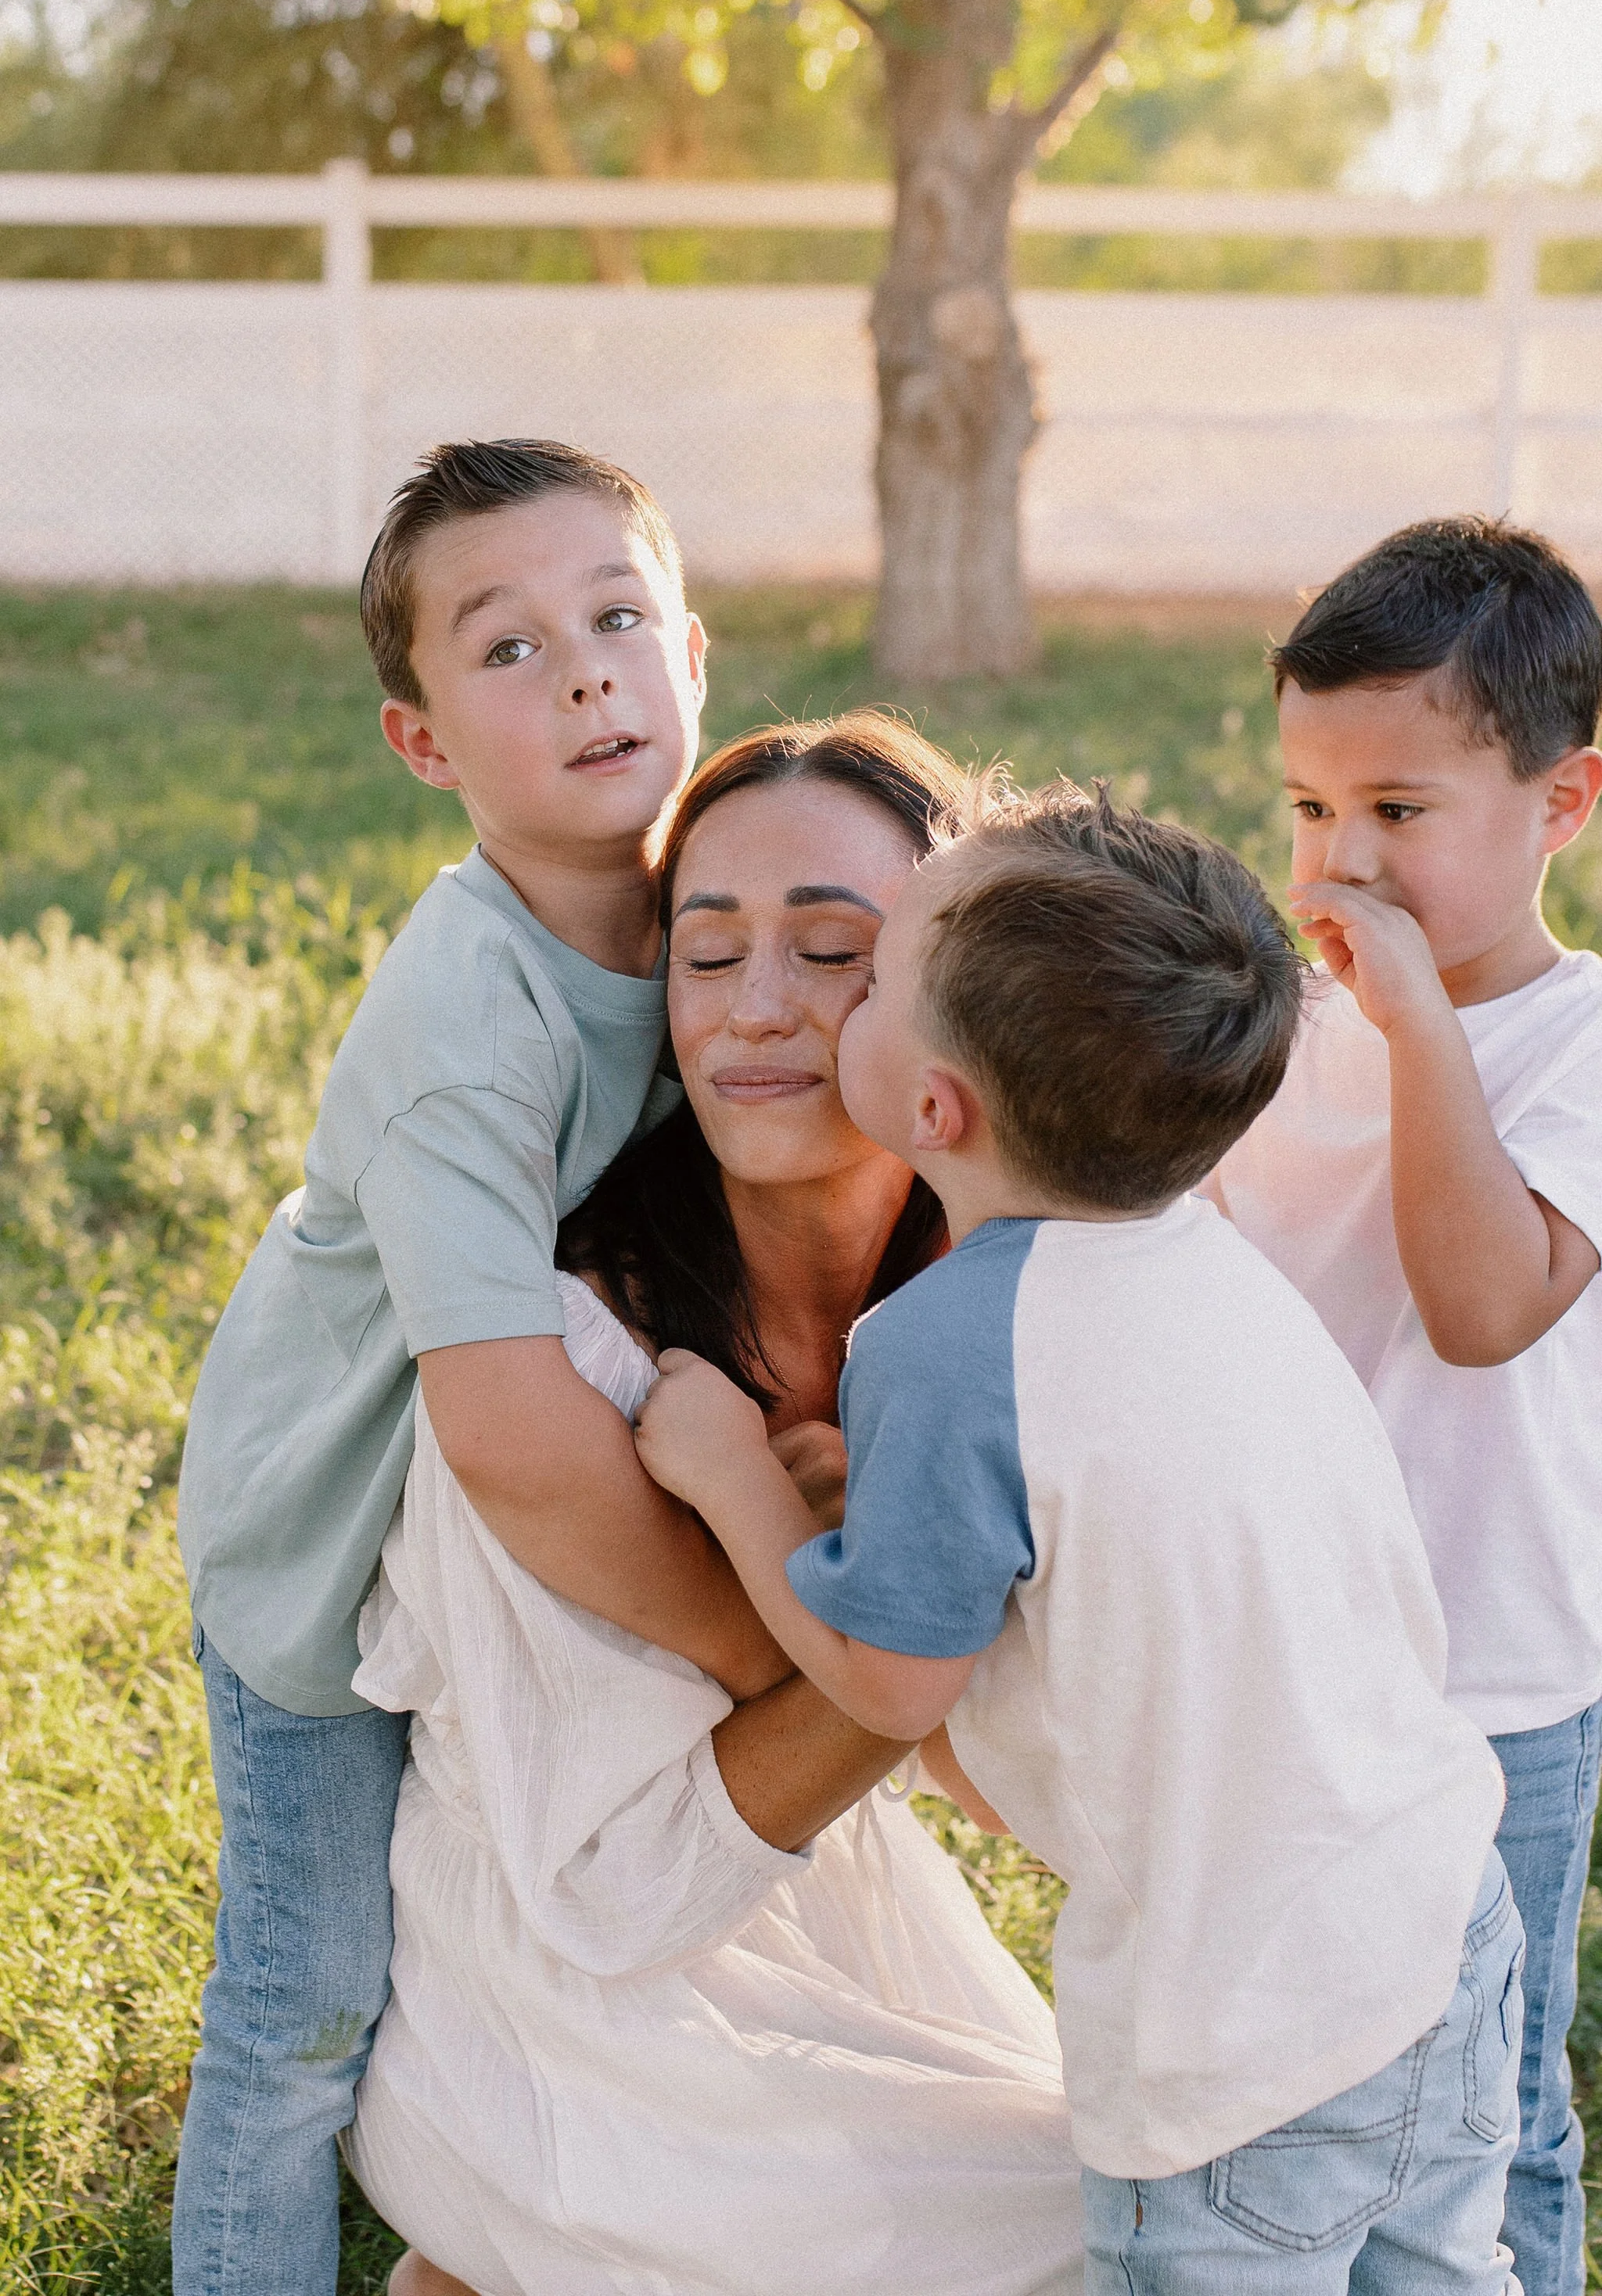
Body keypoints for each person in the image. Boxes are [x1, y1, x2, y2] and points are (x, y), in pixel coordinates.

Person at [639, 784, 1521, 2294]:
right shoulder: (1203, 1255)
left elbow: (893, 1687)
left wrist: (734, 1482)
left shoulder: (941, 1344)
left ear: (935, 1113)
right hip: (1441, 1924)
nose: (841, 1000)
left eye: (878, 969)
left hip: (1242, 2040)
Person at [343, 716, 1085, 2296]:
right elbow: (625, 1888)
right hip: (556, 1991)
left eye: (833, 951)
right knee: (1096, 2241)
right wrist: (888, 1606)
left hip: (818, 1919)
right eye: (705, 952)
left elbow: (1078, 1789)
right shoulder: (572, 1357)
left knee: (1172, 2187)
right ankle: (508, 2236)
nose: (756, 1011)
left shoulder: (996, 1298)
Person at [172, 439, 787, 2296]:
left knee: (510, 1939)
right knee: (309, 1996)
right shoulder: (469, 1028)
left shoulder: (732, 925)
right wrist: (753, 1643)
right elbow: (510, 1442)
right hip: (327, 1548)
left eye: (613, 618)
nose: (586, 669)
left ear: (690, 651)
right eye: (505, 648)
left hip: (507, 1555)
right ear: (421, 742)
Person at [1205, 518, 1602, 2296]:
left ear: (1563, 803)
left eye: (1398, 812)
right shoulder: (1286, 1030)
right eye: (1308, 811)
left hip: (1493, 1683)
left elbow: (1480, 1305)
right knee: (1298, 2081)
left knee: (1488, 2107)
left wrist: (1419, 1028)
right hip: (1292, 1665)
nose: (1340, 861)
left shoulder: (1577, 1041)